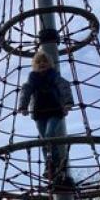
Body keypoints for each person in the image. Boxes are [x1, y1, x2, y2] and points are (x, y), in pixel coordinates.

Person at [18, 50, 74, 180]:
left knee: (49, 135)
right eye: (39, 62)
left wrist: (67, 103)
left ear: (50, 64)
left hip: (55, 111)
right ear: (35, 65)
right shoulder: (32, 79)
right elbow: (26, 91)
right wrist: (23, 106)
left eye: (45, 62)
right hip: (39, 113)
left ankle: (56, 161)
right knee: (44, 140)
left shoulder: (54, 76)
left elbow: (64, 87)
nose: (42, 64)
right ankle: (49, 164)